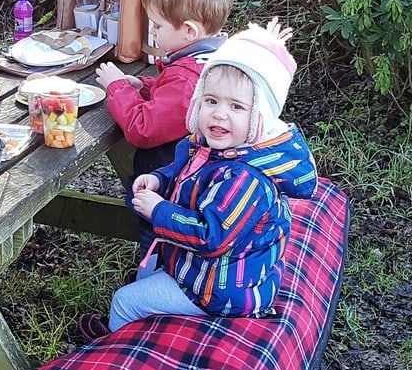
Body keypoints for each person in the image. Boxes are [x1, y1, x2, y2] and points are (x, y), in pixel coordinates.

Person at [79, 20, 319, 339]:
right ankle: (148, 332)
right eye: (211, 101)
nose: (219, 114)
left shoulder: (245, 178)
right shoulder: (210, 145)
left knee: (125, 300)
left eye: (236, 106)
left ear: (259, 117)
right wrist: (158, 180)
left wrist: (159, 211)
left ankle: (114, 353)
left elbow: (210, 236)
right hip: (203, 268)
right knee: (146, 271)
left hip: (223, 289)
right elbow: (182, 173)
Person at [95, 0, 235, 256]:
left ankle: (154, 280)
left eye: (157, 26)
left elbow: (144, 128)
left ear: (188, 30)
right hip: (181, 177)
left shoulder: (188, 76)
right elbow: (171, 100)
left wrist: (118, 87)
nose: (153, 32)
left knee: (157, 243)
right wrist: (142, 85)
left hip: (172, 188)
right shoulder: (204, 61)